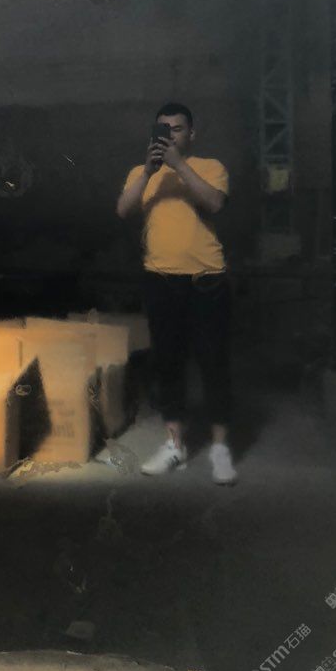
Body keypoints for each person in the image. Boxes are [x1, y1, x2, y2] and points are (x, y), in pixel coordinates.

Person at [116, 103, 237, 485]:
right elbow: (123, 210)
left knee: (213, 363)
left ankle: (220, 449)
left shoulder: (210, 166)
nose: (170, 135)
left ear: (191, 134)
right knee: (167, 365)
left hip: (206, 280)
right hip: (161, 280)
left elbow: (214, 202)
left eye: (178, 129)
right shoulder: (141, 172)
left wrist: (178, 165)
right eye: (163, 129)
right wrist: (149, 171)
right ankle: (175, 445)